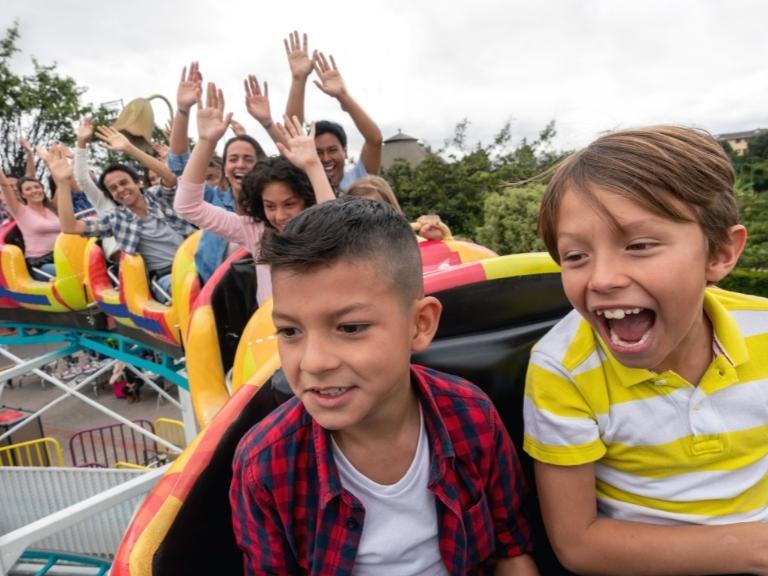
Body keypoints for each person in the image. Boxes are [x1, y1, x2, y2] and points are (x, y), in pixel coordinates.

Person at [230, 197, 538, 575]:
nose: (313, 361)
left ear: (420, 325)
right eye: (291, 331)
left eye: (350, 328)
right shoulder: (265, 465)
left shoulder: (472, 417)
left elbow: (511, 550)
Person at [523, 125, 768, 574]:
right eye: (576, 256)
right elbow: (578, 544)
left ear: (719, 253)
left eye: (638, 246)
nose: (602, 279)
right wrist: (751, 548)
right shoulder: (563, 369)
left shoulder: (763, 328)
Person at [174, 82, 335, 305]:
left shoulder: (321, 231)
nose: (279, 216)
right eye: (270, 206)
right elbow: (187, 206)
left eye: (289, 204)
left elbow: (336, 223)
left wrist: (313, 166)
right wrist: (205, 142)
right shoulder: (256, 231)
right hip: (269, 333)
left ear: (306, 201)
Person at [55, 128, 194, 303]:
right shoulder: (117, 219)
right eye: (113, 188)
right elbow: (70, 226)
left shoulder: (157, 197)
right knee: (191, 291)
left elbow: (170, 178)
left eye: (124, 183)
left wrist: (129, 148)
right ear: (111, 195)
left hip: (195, 260)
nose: (120, 190)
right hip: (168, 275)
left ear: (138, 183)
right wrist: (62, 182)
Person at [167, 62, 270, 283]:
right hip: (214, 288)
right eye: (233, 159)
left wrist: (267, 123)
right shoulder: (213, 199)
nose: (240, 165)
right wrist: (184, 111)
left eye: (248, 159)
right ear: (225, 168)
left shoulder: (273, 206)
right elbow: (179, 165)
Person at [284, 31, 383, 194]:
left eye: (332, 150)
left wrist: (343, 96)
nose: (326, 159)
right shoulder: (305, 186)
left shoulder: (359, 181)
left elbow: (375, 140)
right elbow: (290, 134)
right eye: (318, 152)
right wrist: (298, 79)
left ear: (344, 151)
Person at [346, 175, 453, 241]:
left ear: (393, 212)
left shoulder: (412, 244)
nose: (369, 219)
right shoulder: (342, 254)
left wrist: (435, 240)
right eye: (358, 212)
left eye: (377, 210)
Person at [0, 168, 60, 279]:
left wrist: (52, 164)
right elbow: (4, 185)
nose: (34, 190)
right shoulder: (20, 211)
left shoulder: (52, 208)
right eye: (28, 189)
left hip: (62, 256)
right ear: (22, 195)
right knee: (65, 273)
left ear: (42, 189)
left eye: (37, 187)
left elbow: (61, 185)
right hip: (40, 262)